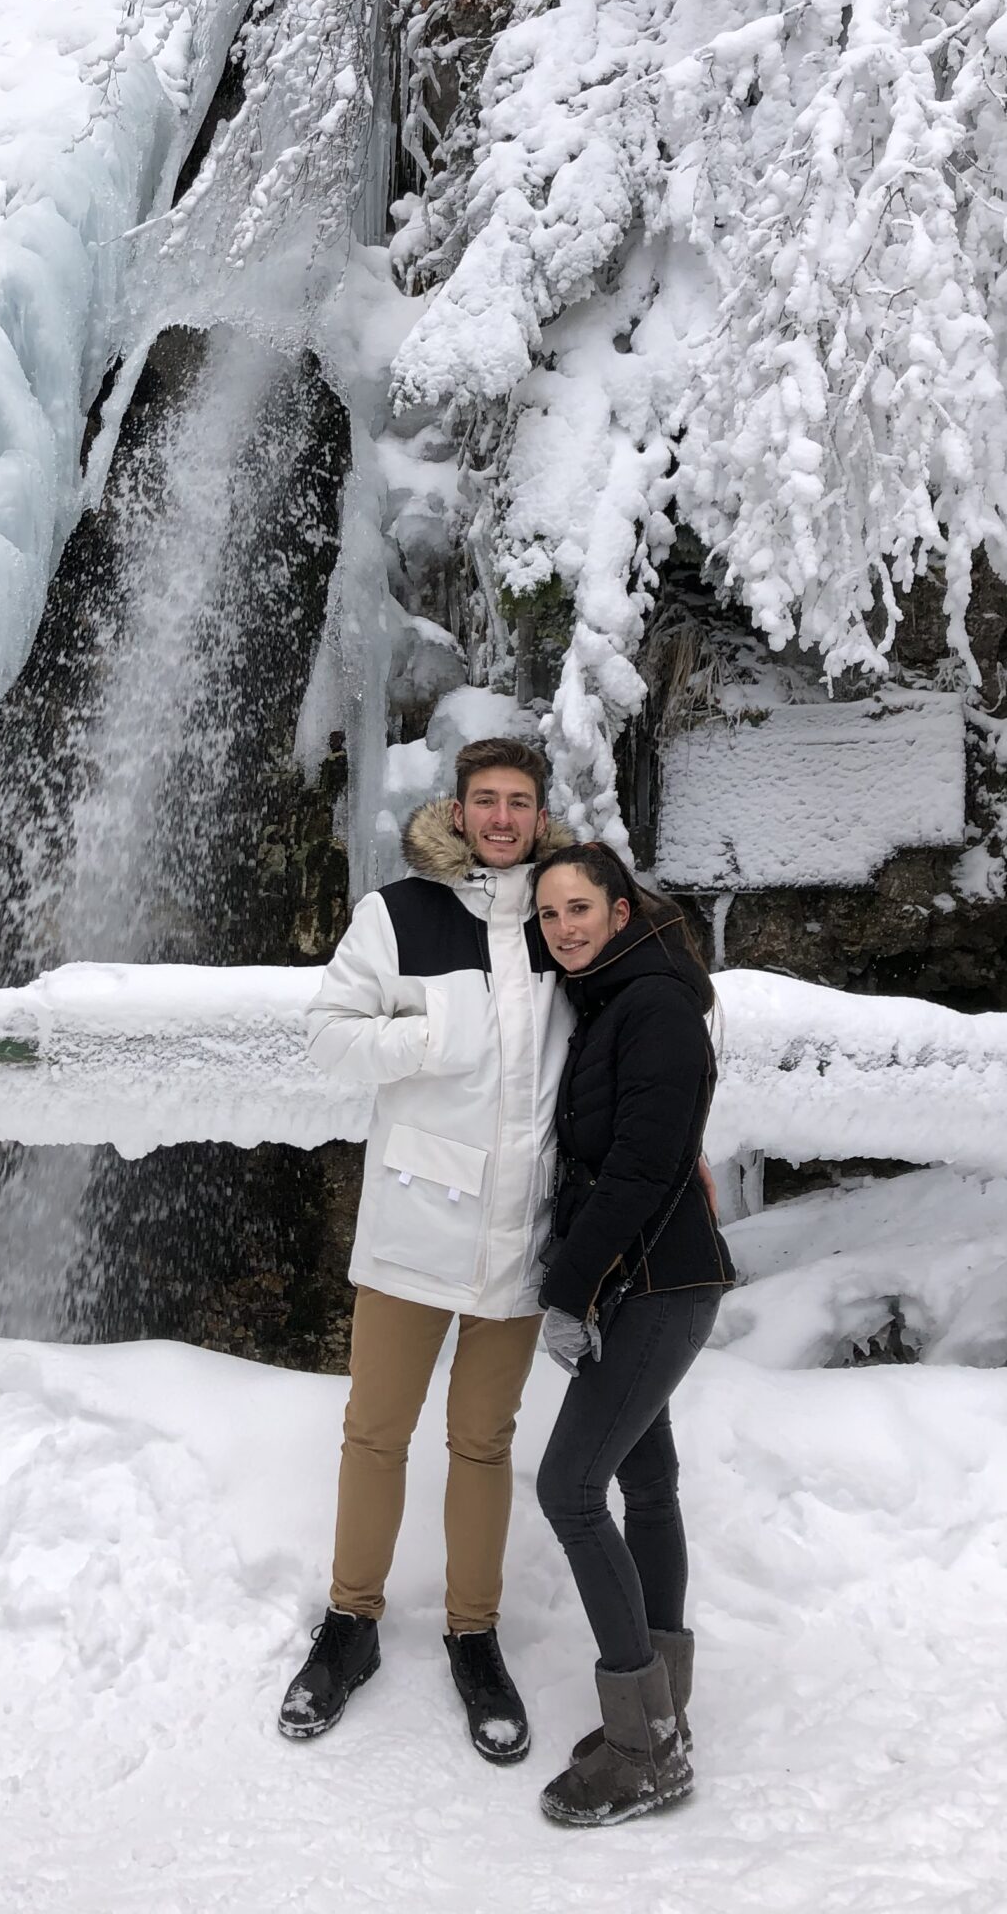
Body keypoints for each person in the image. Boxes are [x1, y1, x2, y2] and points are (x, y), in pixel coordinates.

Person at [277, 738, 573, 1764]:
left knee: (484, 1440)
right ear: (458, 808)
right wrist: (421, 1036)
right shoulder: (399, 913)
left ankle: (473, 1633)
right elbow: (327, 1034)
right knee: (376, 1430)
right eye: (485, 800)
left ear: (541, 815)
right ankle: (350, 1623)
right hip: (414, 1218)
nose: (501, 818)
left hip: (521, 1230)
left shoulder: (565, 916)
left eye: (518, 802)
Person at [529, 840, 736, 1827]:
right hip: (647, 1281)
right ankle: (663, 1711)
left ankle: (643, 1748)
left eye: (580, 907)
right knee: (645, 1486)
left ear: (621, 910)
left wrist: (571, 1290)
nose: (564, 926)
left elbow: (645, 1170)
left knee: (569, 1487)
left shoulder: (652, 1007)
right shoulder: (619, 998)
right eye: (550, 912)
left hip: (653, 1286)